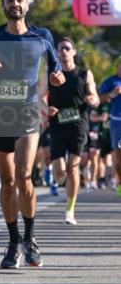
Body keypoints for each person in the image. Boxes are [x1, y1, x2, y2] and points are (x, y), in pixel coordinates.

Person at [0, 0, 64, 269]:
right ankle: (13, 242)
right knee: (8, 182)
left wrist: (57, 78)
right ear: (3, 5)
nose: (15, 4)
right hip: (0, 115)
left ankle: (30, 240)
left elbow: (56, 68)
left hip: (28, 113)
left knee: (24, 176)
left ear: (27, 4)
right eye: (10, 0)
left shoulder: (42, 36)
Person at [47, 38, 99, 224]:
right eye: (61, 49)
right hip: (57, 125)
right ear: (57, 53)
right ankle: (59, 180)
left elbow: (94, 95)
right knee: (60, 174)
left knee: (73, 168)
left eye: (67, 48)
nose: (64, 51)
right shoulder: (51, 74)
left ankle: (70, 211)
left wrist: (93, 99)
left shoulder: (84, 73)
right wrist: (46, 108)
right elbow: (40, 96)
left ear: (74, 52)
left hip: (78, 124)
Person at [98, 57, 121, 196]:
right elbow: (99, 98)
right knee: (117, 154)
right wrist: (112, 94)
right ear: (117, 67)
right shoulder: (110, 81)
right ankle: (119, 181)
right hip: (116, 121)